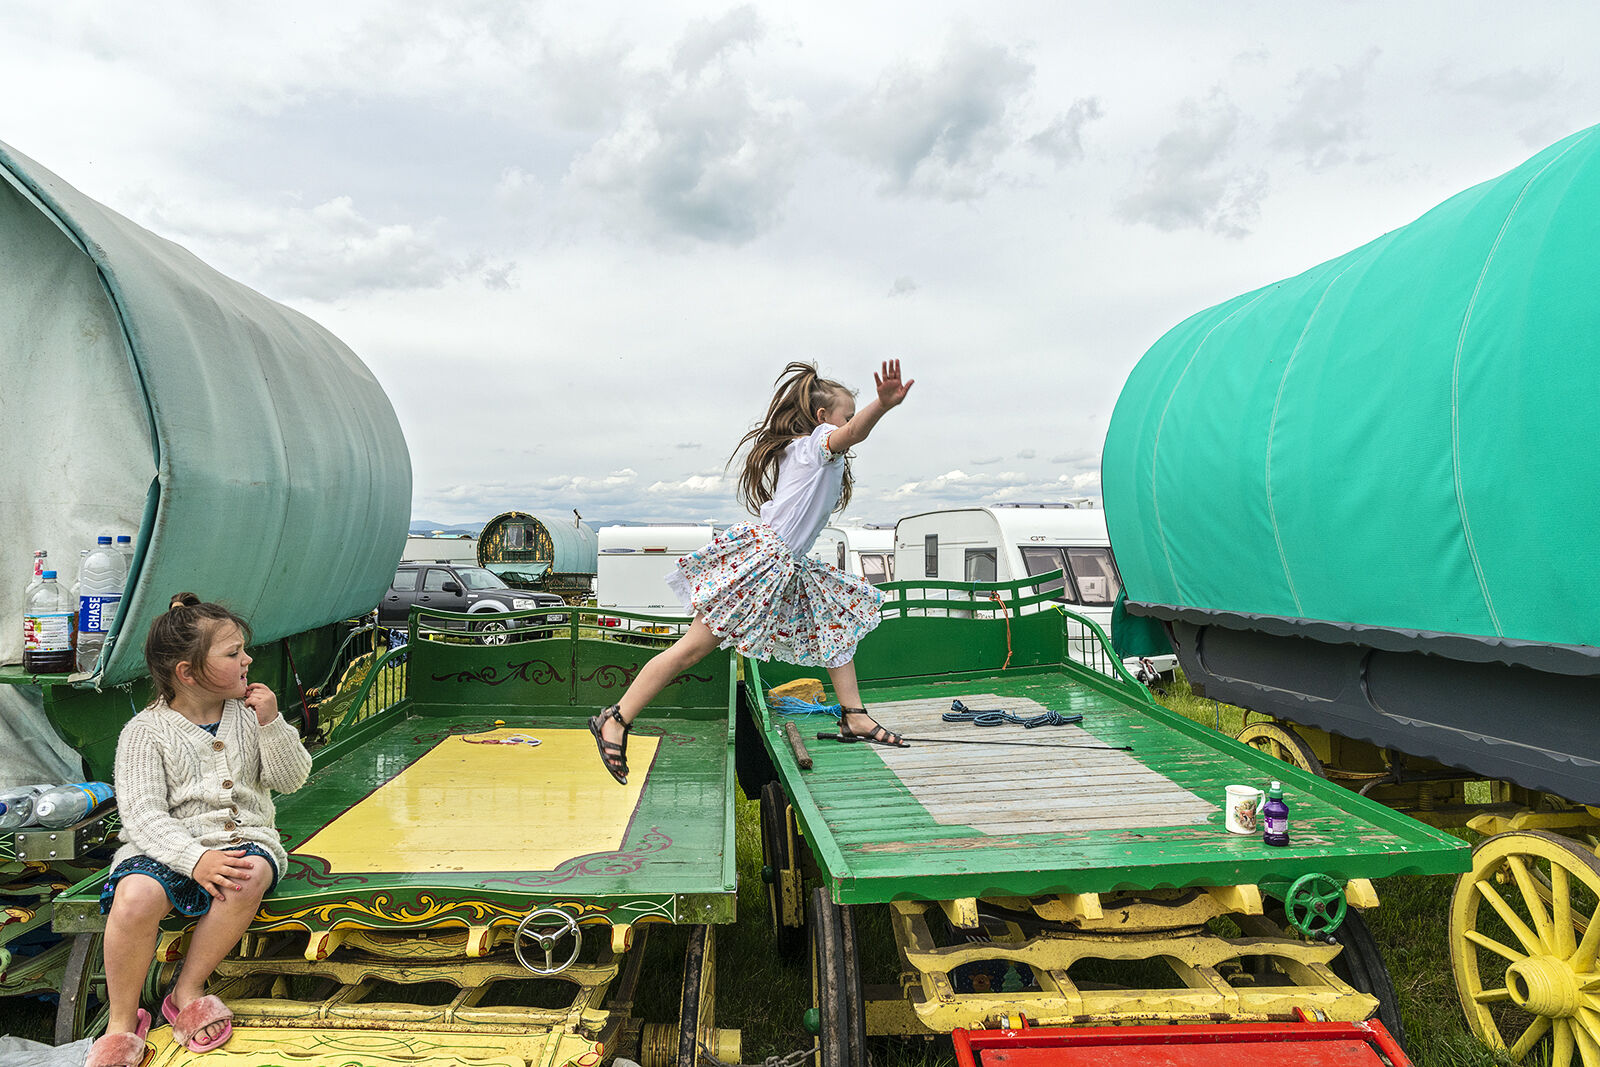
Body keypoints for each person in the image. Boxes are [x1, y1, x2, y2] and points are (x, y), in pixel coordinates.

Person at [591, 360, 915, 784]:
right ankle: (616, 718)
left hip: (788, 562)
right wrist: (883, 405)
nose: (849, 424)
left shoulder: (809, 453)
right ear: (822, 420)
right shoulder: (816, 445)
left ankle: (853, 715)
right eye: (846, 415)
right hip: (762, 563)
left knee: (836, 624)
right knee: (692, 649)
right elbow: (851, 434)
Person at [85, 593, 311, 1066]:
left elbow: (290, 780)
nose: (248, 659)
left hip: (242, 839)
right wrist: (193, 859)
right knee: (136, 896)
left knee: (247, 874)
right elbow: (143, 817)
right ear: (187, 673)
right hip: (165, 847)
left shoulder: (251, 716)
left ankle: (186, 990)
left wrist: (272, 724)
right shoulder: (145, 733)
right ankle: (122, 1021)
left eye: (243, 649)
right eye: (233, 653)